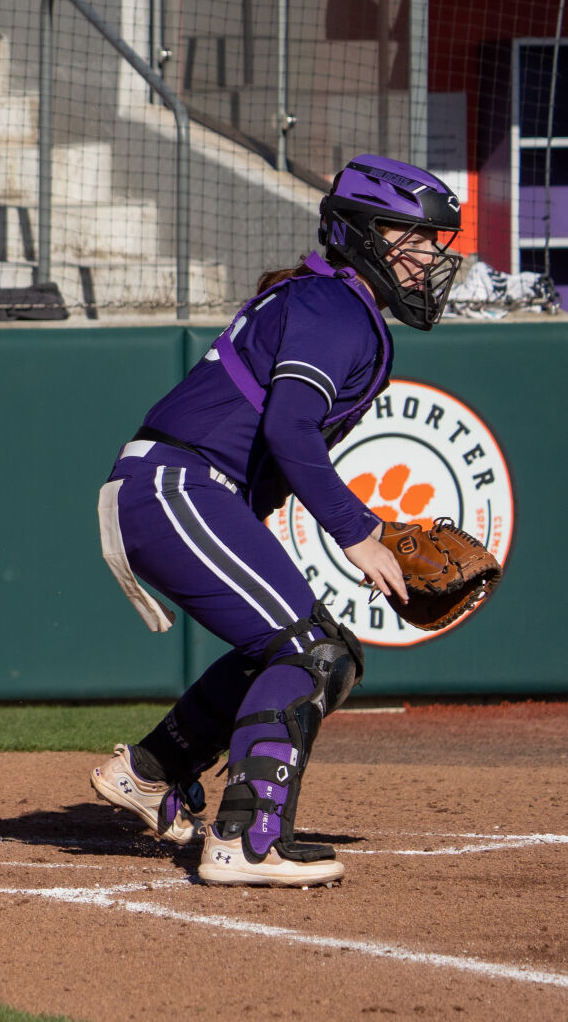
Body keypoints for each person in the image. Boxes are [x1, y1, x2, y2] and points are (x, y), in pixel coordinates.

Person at [88, 155, 464, 888]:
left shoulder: (331, 305)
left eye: (431, 244)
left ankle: (148, 770)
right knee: (309, 652)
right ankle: (245, 840)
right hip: (176, 484)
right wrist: (358, 532)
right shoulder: (333, 307)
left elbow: (269, 447)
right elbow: (291, 428)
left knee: (318, 649)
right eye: (411, 239)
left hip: (180, 487)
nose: (426, 260)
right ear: (361, 234)